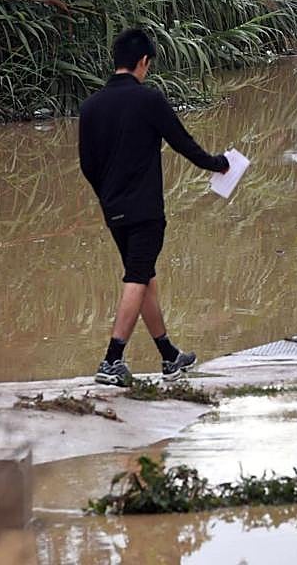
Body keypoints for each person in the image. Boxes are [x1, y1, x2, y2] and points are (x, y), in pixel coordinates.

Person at [78, 28, 229, 387]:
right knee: (137, 278)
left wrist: (107, 196)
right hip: (144, 211)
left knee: (144, 277)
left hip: (114, 210)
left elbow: (87, 165)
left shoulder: (91, 107)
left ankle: (169, 356)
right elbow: (183, 143)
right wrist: (219, 164)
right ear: (143, 62)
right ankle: (111, 360)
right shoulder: (149, 100)